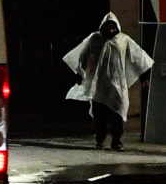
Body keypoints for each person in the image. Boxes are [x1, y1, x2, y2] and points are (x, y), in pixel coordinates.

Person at [63, 12, 154, 150]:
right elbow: (83, 56)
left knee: (117, 112)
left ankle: (116, 140)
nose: (110, 29)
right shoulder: (95, 38)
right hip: (99, 84)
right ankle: (100, 138)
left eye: (112, 26)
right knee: (100, 114)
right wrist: (80, 73)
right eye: (108, 25)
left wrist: (144, 76)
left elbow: (138, 57)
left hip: (117, 84)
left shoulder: (124, 40)